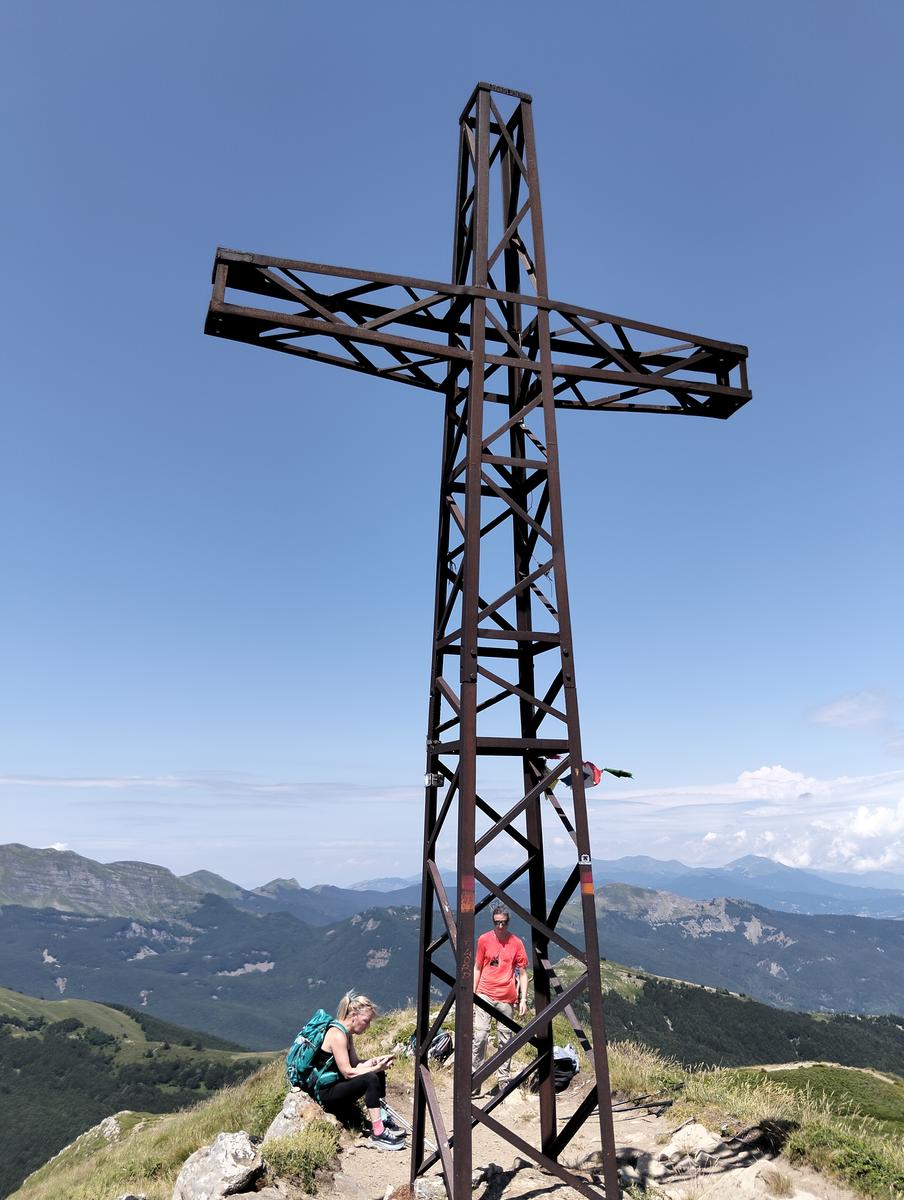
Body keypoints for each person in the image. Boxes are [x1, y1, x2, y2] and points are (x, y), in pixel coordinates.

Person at [314, 992, 405, 1151]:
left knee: (376, 1073)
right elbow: (348, 1072)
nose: (368, 1026)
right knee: (371, 1077)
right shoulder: (337, 1035)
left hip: (337, 1084)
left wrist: (376, 1062)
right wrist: (375, 1068)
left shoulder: (346, 1034)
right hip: (325, 1093)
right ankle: (378, 1133)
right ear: (354, 1016)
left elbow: (355, 1064)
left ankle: (381, 1119)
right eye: (366, 1021)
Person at [472, 906, 529, 1096]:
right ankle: (476, 1078)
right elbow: (478, 967)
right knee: (480, 1036)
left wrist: (523, 999)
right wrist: (473, 995)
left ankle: (503, 1078)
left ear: (508, 922)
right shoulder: (484, 940)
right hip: (485, 993)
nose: (500, 926)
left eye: (503, 922)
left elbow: (522, 972)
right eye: (497, 922)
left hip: (507, 996)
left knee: (505, 1039)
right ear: (493, 922)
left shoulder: (516, 943)